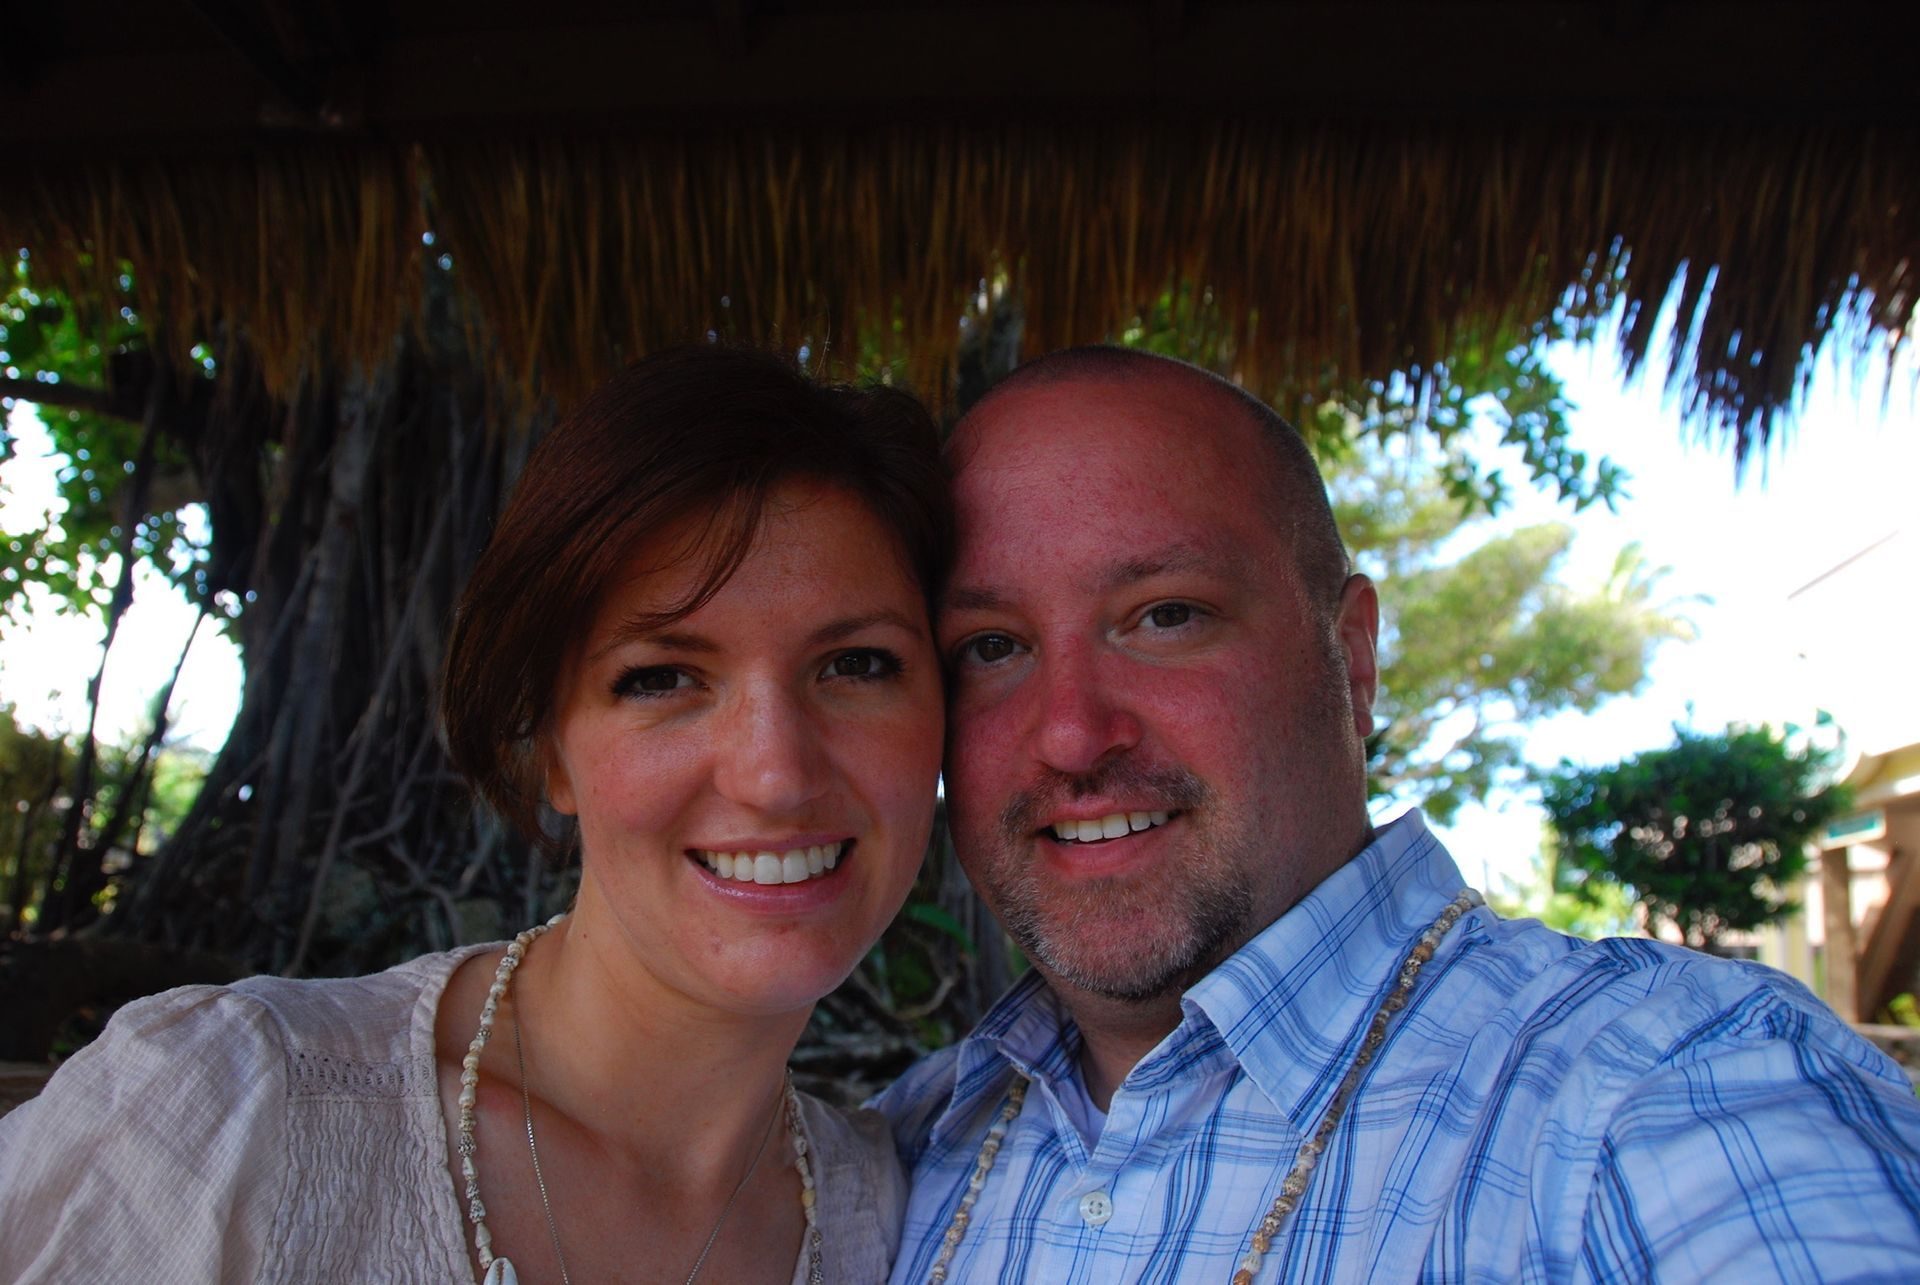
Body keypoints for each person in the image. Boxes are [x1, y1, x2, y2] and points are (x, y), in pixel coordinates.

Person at [879, 345, 1920, 1282]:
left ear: (1354, 657)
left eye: (1166, 616)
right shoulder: (890, 1162)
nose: (1071, 734)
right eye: (991, 646)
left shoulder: (1664, 1092)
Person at [0, 345, 950, 1283]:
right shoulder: (226, 1120)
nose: (776, 774)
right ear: (550, 751)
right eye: (662, 678)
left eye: (858, 665)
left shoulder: (897, 1217)